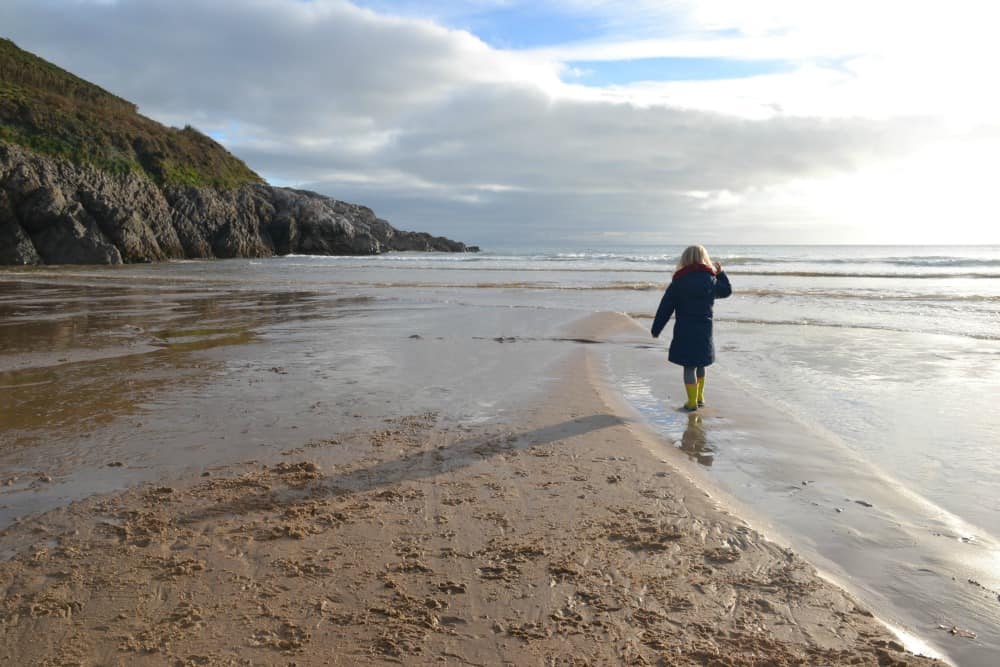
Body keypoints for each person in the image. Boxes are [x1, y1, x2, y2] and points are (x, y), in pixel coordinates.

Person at [651, 245, 732, 411]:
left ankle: (692, 401)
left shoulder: (679, 281)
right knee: (701, 363)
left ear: (685, 259)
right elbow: (727, 291)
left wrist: (656, 329)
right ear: (704, 259)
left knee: (689, 366)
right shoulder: (711, 280)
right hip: (704, 330)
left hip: (685, 330)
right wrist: (721, 273)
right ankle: (700, 397)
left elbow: (665, 307)